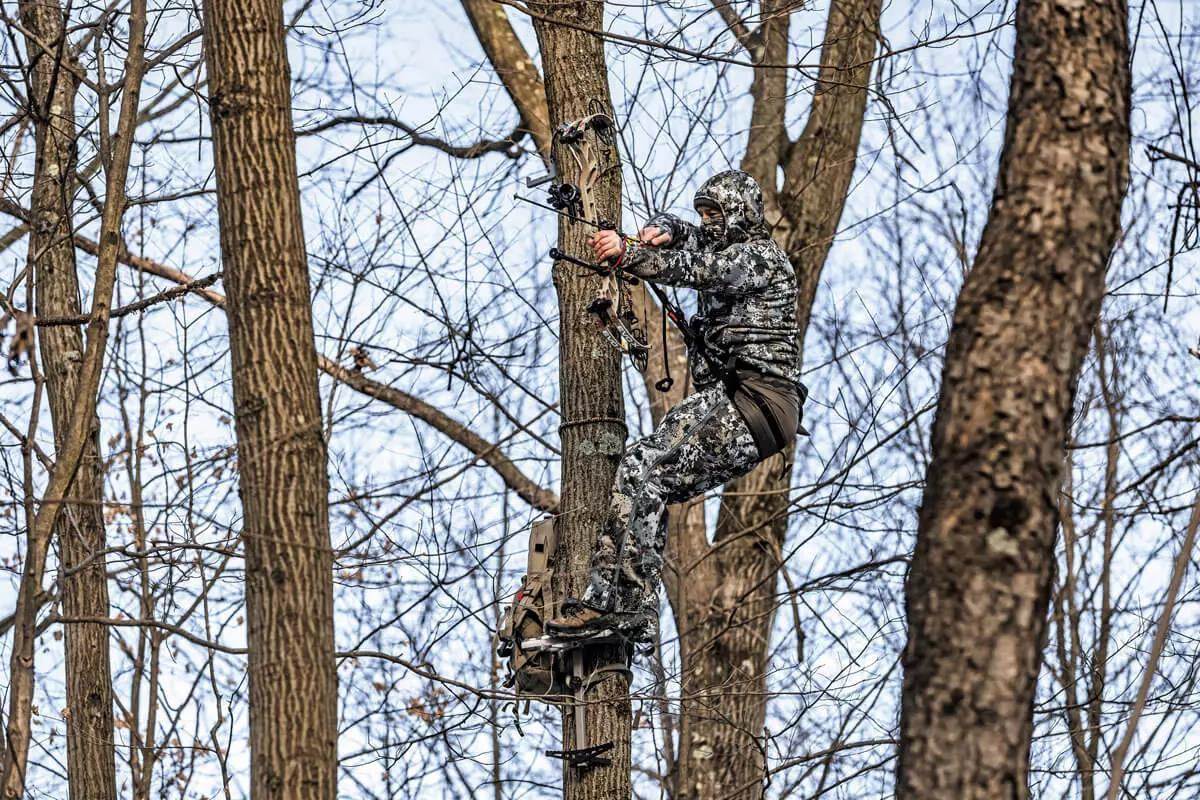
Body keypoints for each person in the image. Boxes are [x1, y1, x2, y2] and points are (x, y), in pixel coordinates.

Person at [545, 169, 805, 643]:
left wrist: (632, 254)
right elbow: (686, 238)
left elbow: (700, 270)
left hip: (754, 397)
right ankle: (627, 608)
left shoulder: (761, 258)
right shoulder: (719, 243)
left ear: (741, 214)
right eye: (704, 214)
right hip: (749, 404)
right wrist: (664, 226)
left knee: (644, 464)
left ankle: (619, 605)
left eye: (716, 215)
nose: (708, 224)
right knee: (652, 479)